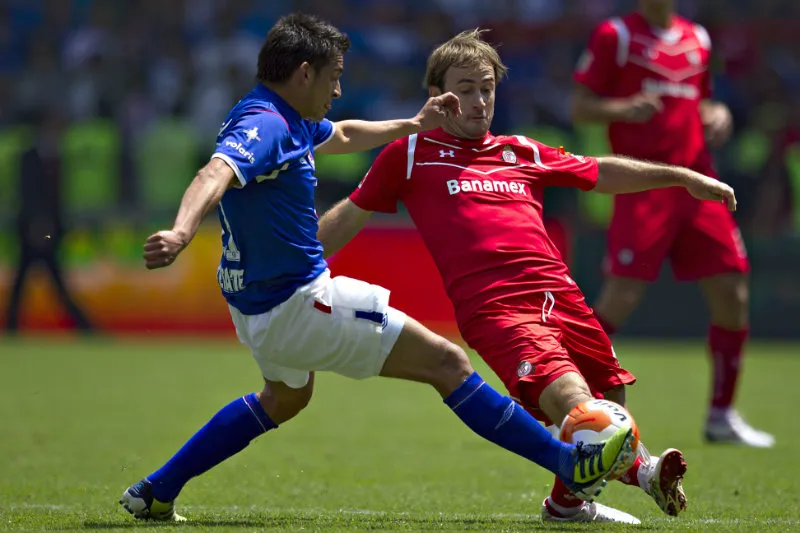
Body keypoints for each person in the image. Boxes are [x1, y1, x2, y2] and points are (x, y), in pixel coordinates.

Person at [118, 14, 635, 523]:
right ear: (304, 73)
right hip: (299, 303)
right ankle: (571, 463)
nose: (339, 89)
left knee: (284, 398)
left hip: (255, 312)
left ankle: (157, 490)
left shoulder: (279, 114)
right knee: (448, 365)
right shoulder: (266, 125)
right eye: (335, 76)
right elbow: (216, 171)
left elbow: (341, 133)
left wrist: (412, 124)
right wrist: (183, 231)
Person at [316, 29, 740, 524]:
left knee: (611, 400)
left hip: (562, 295)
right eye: (465, 89)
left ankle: (566, 505)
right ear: (436, 95)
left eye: (487, 88)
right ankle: (643, 473)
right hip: (498, 308)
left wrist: (683, 177)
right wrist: (293, 268)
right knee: (580, 407)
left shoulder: (521, 150)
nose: (478, 101)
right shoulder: (410, 154)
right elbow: (351, 213)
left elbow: (600, 171)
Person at [571, 0, 774, 448]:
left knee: (732, 291)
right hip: (641, 185)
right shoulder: (616, 35)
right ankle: (573, 402)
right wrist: (623, 108)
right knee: (620, 297)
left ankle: (721, 414)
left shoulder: (696, 37)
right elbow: (580, 107)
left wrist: (715, 113)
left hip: (698, 183)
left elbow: (698, 102)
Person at [6, 108, 93, 334]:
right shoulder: (30, 157)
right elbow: (29, 194)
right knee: (42, 282)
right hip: (34, 229)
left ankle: (12, 327)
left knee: (34, 282)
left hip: (48, 230)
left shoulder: (55, 157)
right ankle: (83, 327)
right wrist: (37, 223)